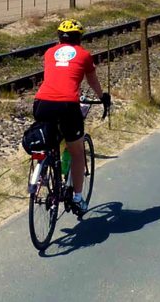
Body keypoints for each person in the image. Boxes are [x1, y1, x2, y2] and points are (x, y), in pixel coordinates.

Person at [33, 19, 110, 215]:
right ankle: (77, 197)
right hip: (67, 105)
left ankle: (46, 169)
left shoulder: (49, 53)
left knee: (50, 141)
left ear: (59, 37)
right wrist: (102, 97)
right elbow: (91, 79)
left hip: (42, 103)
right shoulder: (84, 55)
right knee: (77, 152)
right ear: (79, 38)